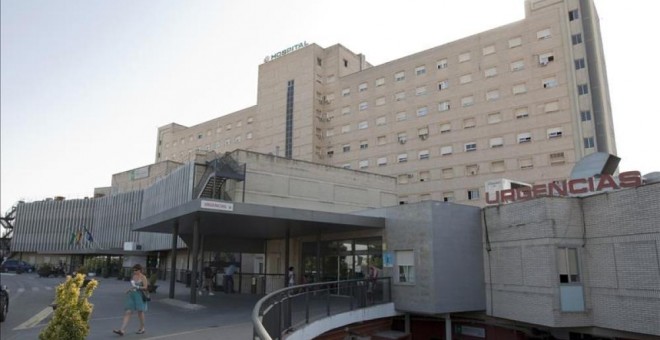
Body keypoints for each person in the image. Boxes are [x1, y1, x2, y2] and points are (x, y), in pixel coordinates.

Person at [113, 264, 148, 336]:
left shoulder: (143, 277)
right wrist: (129, 290)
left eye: (136, 270)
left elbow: (145, 287)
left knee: (140, 313)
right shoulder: (134, 276)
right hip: (132, 295)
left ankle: (142, 328)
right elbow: (133, 286)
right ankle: (122, 330)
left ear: (140, 270)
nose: (134, 271)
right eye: (134, 270)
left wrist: (138, 287)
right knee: (128, 311)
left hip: (140, 296)